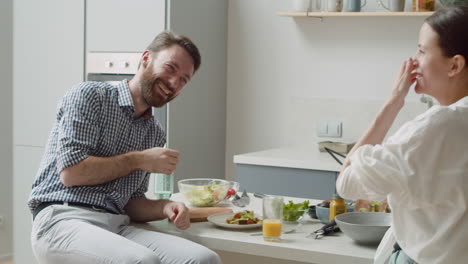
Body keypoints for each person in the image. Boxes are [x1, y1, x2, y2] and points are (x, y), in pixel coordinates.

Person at [28, 31, 222, 264]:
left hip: (115, 224)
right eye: (171, 68)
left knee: (203, 259)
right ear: (146, 58)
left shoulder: (153, 132)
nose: (174, 83)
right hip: (61, 220)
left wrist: (166, 206)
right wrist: (140, 160)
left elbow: (132, 203)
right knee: (142, 261)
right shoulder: (90, 96)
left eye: (183, 79)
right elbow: (71, 173)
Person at [336, 6, 468, 264]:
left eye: (421, 50)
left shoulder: (436, 126)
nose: (413, 61)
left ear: (455, 65)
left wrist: (393, 103)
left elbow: (347, 183)